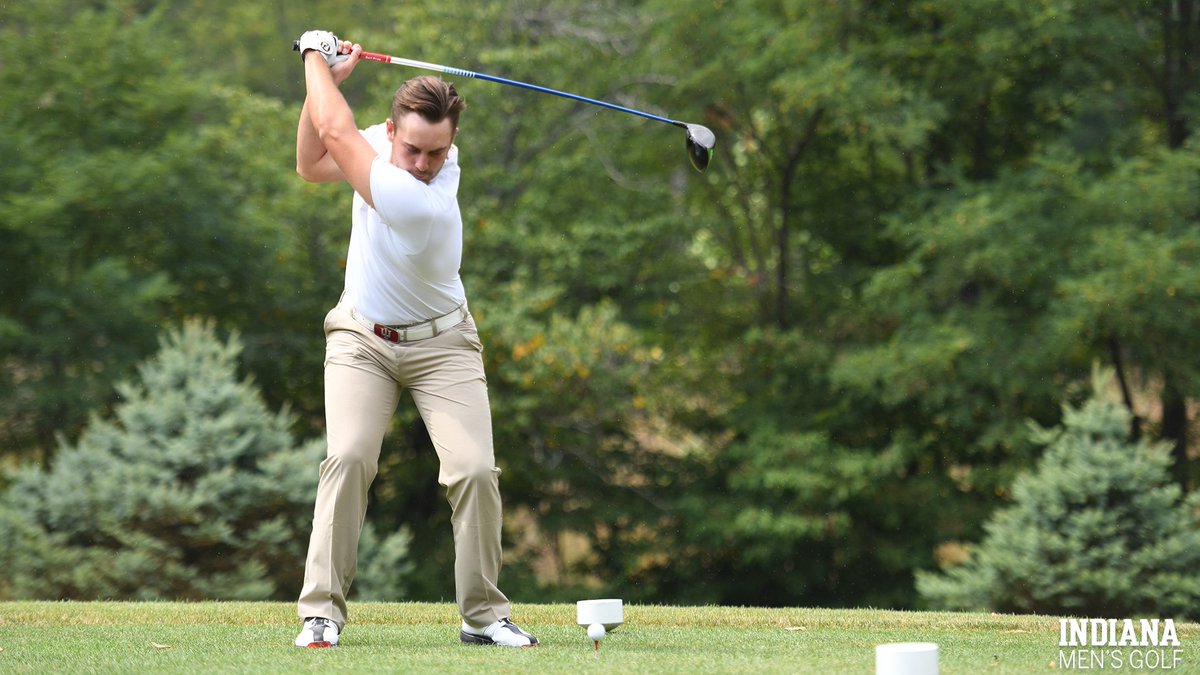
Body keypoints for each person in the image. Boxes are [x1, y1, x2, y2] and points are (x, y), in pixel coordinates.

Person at [290, 30, 537, 649]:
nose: (424, 164)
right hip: (361, 338)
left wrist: (313, 58)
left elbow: (339, 134)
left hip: (443, 344)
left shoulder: (422, 203)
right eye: (413, 149)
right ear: (394, 133)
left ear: (450, 147)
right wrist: (326, 88)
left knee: (475, 470)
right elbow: (313, 162)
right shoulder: (382, 144)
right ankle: (321, 612)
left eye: (436, 153)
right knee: (347, 458)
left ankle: (482, 615)